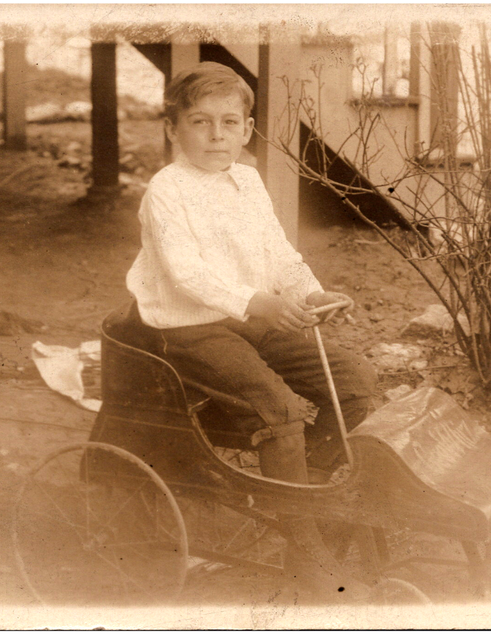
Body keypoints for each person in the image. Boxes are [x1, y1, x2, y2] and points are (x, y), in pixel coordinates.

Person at [124, 62, 377, 599]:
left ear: (246, 128)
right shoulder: (166, 190)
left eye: (229, 123)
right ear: (173, 129)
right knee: (278, 407)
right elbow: (185, 275)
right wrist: (258, 304)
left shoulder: (248, 179)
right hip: (189, 326)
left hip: (252, 319)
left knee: (354, 379)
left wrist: (310, 291)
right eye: (200, 122)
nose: (217, 136)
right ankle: (306, 549)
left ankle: (300, 503)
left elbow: (277, 251)